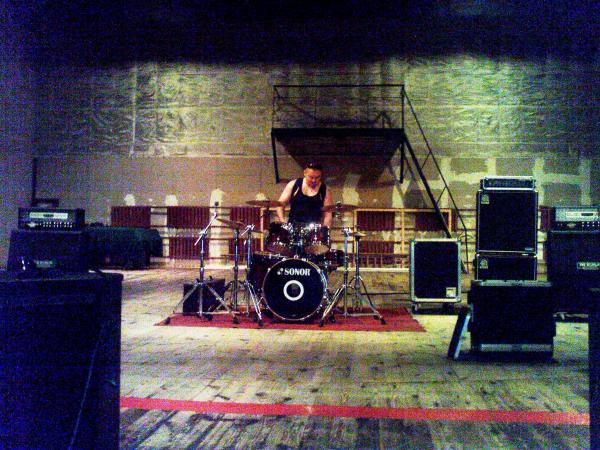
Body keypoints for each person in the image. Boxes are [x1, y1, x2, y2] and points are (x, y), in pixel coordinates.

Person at [276, 162, 333, 227]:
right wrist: (282, 221)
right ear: (305, 173)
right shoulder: (294, 184)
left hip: (314, 228)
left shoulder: (325, 190)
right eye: (311, 177)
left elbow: (328, 214)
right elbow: (280, 204)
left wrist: (325, 230)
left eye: (317, 177)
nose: (314, 180)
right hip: (293, 226)